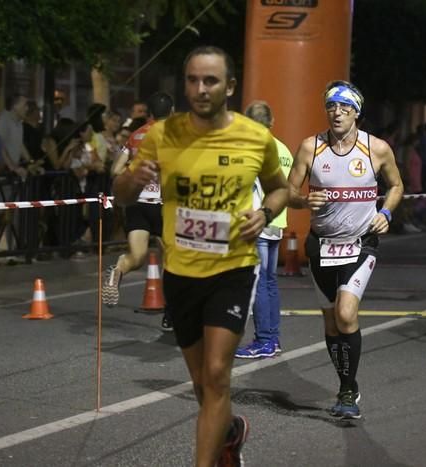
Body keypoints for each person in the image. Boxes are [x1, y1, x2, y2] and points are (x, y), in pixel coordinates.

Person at [113, 45, 289, 467]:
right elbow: (120, 196)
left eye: (210, 80)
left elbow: (282, 189)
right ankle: (230, 432)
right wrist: (133, 178)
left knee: (215, 374)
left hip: (233, 268)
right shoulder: (162, 134)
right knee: (201, 384)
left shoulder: (254, 137)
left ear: (229, 86)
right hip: (180, 271)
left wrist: (264, 212)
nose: (200, 89)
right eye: (192, 80)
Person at [287, 80, 403, 418]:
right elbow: (290, 191)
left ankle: (349, 392)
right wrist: (304, 199)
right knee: (331, 324)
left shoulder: (376, 149)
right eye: (331, 107)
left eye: (344, 107)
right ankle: (345, 385)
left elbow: (396, 185)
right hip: (320, 244)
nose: (337, 113)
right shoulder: (311, 147)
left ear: (356, 112)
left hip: (361, 243)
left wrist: (386, 212)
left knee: (346, 314)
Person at [103, 92, 174, 331]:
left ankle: (118, 270)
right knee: (172, 263)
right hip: (164, 205)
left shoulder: (136, 135)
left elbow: (116, 169)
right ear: (171, 111)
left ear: (149, 113)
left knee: (136, 256)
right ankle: (171, 315)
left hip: (137, 204)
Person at [235, 101, 293, 358]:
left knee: (258, 284)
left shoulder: (252, 148)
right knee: (269, 282)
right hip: (277, 223)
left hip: (258, 222)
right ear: (272, 122)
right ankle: (273, 339)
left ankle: (264, 340)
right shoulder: (283, 149)